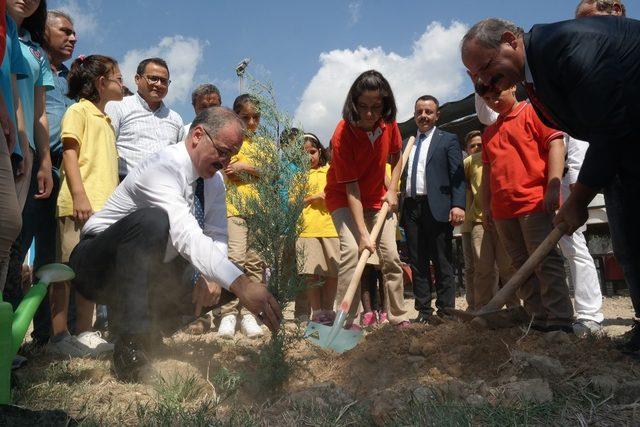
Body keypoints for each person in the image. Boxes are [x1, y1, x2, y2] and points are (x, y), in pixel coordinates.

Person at [460, 15, 640, 348]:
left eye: (485, 67)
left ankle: (561, 319)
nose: (484, 81)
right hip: (623, 160)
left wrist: (575, 198)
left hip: (624, 147)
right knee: (629, 245)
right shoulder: (537, 78)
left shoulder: (566, 50)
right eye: (476, 77)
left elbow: (608, 130)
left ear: (510, 41)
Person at [69, 106, 282, 381]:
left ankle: (153, 332)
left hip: (151, 269)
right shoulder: (163, 167)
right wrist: (242, 284)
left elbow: (216, 233)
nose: (225, 160)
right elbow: (187, 234)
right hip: (96, 265)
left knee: (225, 279)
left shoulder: (214, 181)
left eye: (232, 154)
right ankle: (130, 346)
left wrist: (213, 277)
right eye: (222, 150)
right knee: (154, 221)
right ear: (197, 135)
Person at [46, 55, 124, 357]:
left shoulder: (105, 119)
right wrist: (79, 195)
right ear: (101, 83)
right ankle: (59, 336)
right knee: (65, 270)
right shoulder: (77, 111)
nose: (122, 83)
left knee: (89, 271)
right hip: (78, 206)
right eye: (118, 77)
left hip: (103, 211)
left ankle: (84, 331)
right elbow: (69, 154)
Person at [480, 85, 573, 332]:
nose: (493, 101)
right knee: (519, 266)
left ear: (512, 87)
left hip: (534, 203)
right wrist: (485, 206)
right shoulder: (489, 132)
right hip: (502, 210)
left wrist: (553, 185)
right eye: (487, 99)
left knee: (545, 261)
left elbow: (556, 144)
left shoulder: (534, 113)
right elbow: (487, 174)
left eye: (496, 94)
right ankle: (537, 318)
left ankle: (560, 320)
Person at [324, 69, 409, 328]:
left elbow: (396, 159)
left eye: (376, 107)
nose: (370, 114)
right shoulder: (342, 135)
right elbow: (351, 189)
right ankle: (345, 320)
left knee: (391, 256)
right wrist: (362, 233)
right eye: (363, 107)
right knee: (351, 251)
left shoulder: (389, 124)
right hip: (343, 198)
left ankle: (397, 315)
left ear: (385, 105)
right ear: (354, 104)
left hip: (378, 199)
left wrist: (393, 189)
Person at [400, 95, 465, 324]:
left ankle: (446, 310)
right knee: (417, 261)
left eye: (429, 112)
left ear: (437, 115)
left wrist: (458, 204)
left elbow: (458, 176)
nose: (424, 116)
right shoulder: (407, 144)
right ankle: (424, 311)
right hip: (410, 209)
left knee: (442, 259)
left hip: (437, 207)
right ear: (415, 114)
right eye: (420, 112)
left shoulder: (447, 140)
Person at [217, 94, 265, 339]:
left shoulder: (264, 146)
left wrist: (246, 168)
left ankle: (250, 314)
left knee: (256, 263)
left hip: (259, 211)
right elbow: (227, 169)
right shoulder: (231, 141)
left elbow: (270, 173)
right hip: (234, 209)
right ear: (236, 117)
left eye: (256, 117)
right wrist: (248, 171)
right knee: (235, 260)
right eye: (245, 117)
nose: (252, 122)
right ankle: (228, 313)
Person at [460, 130, 516, 311]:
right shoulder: (469, 162)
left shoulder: (499, 156)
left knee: (507, 267)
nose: (477, 148)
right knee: (482, 269)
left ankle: (514, 307)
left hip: (504, 218)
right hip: (477, 220)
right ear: (467, 149)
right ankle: (483, 309)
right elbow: (461, 186)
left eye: (480, 144)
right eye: (473, 145)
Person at [105, 57, 184, 180]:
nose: (158, 84)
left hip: (165, 188)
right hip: (126, 186)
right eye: (153, 78)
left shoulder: (175, 118)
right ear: (137, 79)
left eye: (164, 81)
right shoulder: (117, 106)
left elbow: (181, 159)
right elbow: (104, 148)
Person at [560, 135, 604, 335]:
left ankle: (589, 313)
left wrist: (577, 187)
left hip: (564, 181)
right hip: (535, 185)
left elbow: (575, 140)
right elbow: (485, 116)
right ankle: (551, 312)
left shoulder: (560, 107)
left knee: (574, 248)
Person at [297, 132, 339, 325]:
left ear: (320, 151)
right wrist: (314, 197)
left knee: (332, 272)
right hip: (307, 229)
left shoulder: (332, 171)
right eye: (304, 153)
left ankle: (329, 311)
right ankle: (317, 312)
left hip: (331, 227)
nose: (309, 157)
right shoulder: (299, 175)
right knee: (311, 273)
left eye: (312, 152)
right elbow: (292, 201)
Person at [0, 3, 27, 293]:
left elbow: (14, 91)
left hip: (8, 134)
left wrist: (23, 145)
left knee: (8, 224)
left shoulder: (9, 27)